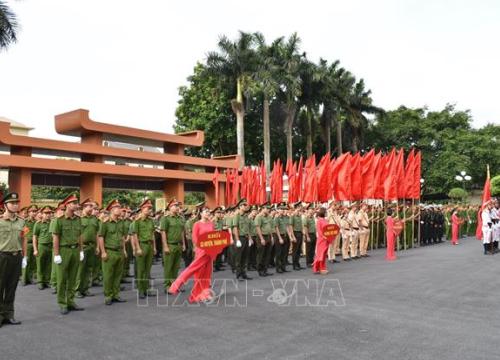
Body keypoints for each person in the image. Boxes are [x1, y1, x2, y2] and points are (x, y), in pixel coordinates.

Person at [169, 207, 218, 303]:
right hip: (201, 251)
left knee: (207, 274)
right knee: (194, 270)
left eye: (209, 211)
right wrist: (201, 247)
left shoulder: (211, 224)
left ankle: (205, 294)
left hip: (210, 251)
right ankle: (176, 285)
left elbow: (213, 237)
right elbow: (195, 239)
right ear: (201, 213)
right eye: (206, 211)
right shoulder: (197, 224)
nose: (208, 213)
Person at [52, 194, 85, 314]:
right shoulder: (59, 220)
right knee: (61, 279)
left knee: (73, 277)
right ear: (67, 205)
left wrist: (81, 251)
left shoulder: (78, 219)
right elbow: (56, 237)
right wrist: (56, 254)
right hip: (63, 250)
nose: (76, 205)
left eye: (76, 203)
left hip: (75, 250)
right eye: (74, 203)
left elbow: (80, 235)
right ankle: (62, 303)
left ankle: (71, 301)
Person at [0, 192, 26, 326]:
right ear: (5, 205)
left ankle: (9, 315)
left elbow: (23, 238)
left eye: (17, 203)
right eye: (12, 203)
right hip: (2, 257)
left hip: (16, 257)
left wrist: (24, 256)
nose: (16, 205)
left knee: (11, 288)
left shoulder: (21, 221)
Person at [98, 199, 127, 305]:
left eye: (119, 208)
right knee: (108, 275)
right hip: (109, 251)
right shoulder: (105, 223)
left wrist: (124, 250)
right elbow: (101, 237)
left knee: (117, 275)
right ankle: (108, 295)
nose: (120, 210)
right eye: (117, 208)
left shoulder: (121, 222)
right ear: (112, 210)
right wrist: (103, 252)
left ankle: (116, 294)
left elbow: (123, 237)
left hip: (119, 251)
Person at [130, 199, 157, 299]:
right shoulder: (137, 221)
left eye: (150, 208)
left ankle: (146, 289)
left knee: (147, 270)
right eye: (148, 208)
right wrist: (137, 248)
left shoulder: (151, 221)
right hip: (141, 245)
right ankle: (141, 290)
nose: (150, 210)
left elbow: (152, 234)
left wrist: (154, 247)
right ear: (142, 209)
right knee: (141, 270)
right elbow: (135, 235)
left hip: (149, 246)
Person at [160, 199, 186, 292]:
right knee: (168, 267)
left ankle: (174, 285)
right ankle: (167, 286)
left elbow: (182, 232)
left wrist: (183, 244)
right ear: (169, 208)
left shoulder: (180, 218)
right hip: (170, 245)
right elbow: (163, 233)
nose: (177, 207)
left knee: (176, 266)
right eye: (174, 206)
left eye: (177, 206)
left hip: (178, 245)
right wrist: (165, 246)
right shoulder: (165, 218)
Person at [75, 198, 99, 298]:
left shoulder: (94, 219)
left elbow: (97, 233)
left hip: (92, 246)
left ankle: (85, 289)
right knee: (80, 269)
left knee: (89, 269)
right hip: (82, 247)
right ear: (84, 207)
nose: (91, 208)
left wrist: (97, 247)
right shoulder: (78, 219)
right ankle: (77, 290)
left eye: (92, 206)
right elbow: (77, 234)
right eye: (89, 206)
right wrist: (79, 248)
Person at [33, 206, 53, 290]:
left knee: (49, 264)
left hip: (50, 246)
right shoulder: (38, 224)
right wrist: (35, 249)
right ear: (42, 214)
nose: (48, 215)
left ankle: (47, 281)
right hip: (42, 246)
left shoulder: (53, 223)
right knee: (40, 264)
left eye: (49, 213)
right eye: (46, 213)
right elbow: (35, 237)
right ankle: (40, 282)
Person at [312, 207, 331, 275]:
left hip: (326, 239)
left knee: (324, 255)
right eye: (326, 212)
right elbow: (319, 231)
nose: (327, 213)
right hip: (321, 240)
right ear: (323, 212)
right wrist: (324, 236)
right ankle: (319, 268)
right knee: (320, 254)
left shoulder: (325, 220)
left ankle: (322, 267)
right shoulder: (319, 221)